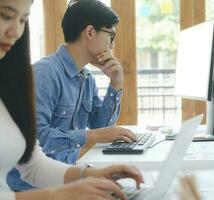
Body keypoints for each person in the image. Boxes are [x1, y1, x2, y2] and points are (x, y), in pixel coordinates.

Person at [0, 0, 144, 199]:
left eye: (23, 20)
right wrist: (92, 138)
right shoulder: (45, 73)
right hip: (30, 190)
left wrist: (116, 83)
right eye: (111, 36)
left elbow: (104, 129)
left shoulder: (86, 79)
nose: (112, 45)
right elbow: (39, 139)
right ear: (90, 32)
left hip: (58, 183)